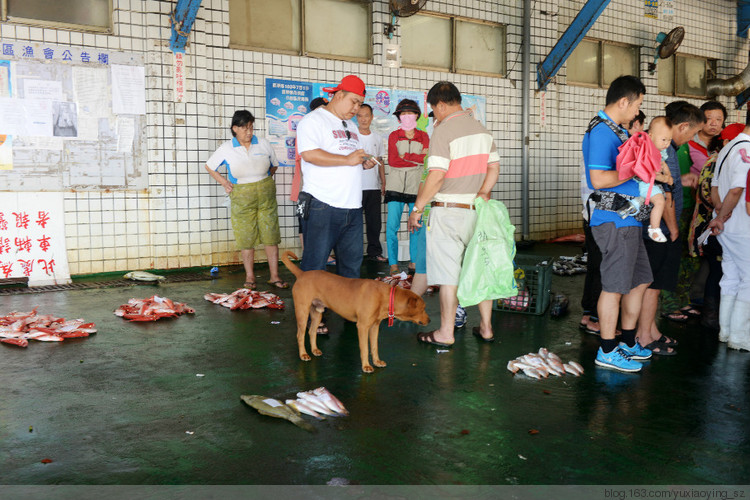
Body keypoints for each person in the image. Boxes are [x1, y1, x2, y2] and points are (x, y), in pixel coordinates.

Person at [408, 81, 500, 347]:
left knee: (449, 276)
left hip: (448, 212)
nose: (434, 115)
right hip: (476, 212)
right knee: (480, 270)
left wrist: (418, 208)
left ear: (440, 104)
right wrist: (483, 192)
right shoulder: (483, 131)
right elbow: (494, 168)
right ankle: (486, 328)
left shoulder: (443, 131)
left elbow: (436, 176)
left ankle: (445, 333)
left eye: (433, 110)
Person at [582, 75, 653, 372]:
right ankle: (607, 350)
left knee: (640, 279)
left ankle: (625, 341)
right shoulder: (601, 132)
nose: (637, 111)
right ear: (624, 101)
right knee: (613, 287)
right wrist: (636, 168)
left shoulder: (617, 131)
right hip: (614, 220)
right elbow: (598, 181)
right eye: (637, 104)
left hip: (630, 219)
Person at [636, 102, 704, 354]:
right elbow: (665, 196)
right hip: (661, 230)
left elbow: (671, 185)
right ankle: (644, 336)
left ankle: (650, 330)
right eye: (691, 133)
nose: (690, 139)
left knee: (654, 284)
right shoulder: (666, 150)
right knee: (652, 286)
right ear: (683, 126)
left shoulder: (666, 149)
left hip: (658, 229)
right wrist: (674, 229)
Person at [295, 75, 376, 279]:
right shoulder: (313, 120)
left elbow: (352, 158)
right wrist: (348, 160)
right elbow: (309, 154)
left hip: (353, 207)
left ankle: (345, 311)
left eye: (360, 103)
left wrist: (363, 162)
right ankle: (309, 311)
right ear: (339, 95)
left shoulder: (351, 126)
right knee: (314, 268)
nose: (357, 108)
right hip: (323, 205)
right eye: (354, 101)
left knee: (351, 269)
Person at [204, 110, 287, 290]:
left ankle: (274, 276)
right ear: (235, 129)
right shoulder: (227, 148)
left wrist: (262, 181)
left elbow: (274, 166)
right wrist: (225, 182)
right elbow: (210, 166)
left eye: (251, 127)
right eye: (244, 128)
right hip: (241, 196)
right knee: (245, 237)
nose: (249, 132)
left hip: (266, 196)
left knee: (270, 235)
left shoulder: (263, 143)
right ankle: (250, 277)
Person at [687, 124, 745, 330]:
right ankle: (730, 331)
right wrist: (723, 213)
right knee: (733, 276)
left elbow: (715, 189)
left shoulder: (723, 155)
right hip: (725, 225)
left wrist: (721, 211)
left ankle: (722, 325)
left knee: (724, 273)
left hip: (719, 223)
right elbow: (728, 191)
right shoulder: (737, 153)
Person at [708, 122, 750, 351]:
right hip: (742, 226)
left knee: (731, 277)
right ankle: (740, 337)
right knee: (749, 280)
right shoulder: (747, 149)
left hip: (726, 226)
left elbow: (715, 187)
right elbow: (737, 189)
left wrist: (719, 214)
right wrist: (722, 217)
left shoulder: (727, 147)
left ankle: (726, 331)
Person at [386, 99, 430, 275]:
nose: (406, 116)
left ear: (417, 116)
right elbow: (393, 161)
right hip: (395, 186)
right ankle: (393, 264)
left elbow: (425, 161)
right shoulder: (393, 136)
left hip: (416, 187)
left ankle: (413, 263)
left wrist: (407, 156)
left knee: (416, 227)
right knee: (392, 227)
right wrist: (415, 160)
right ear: (399, 117)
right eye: (403, 114)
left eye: (410, 113)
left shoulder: (424, 136)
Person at [616, 116, 674, 243]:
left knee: (651, 199)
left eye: (669, 140)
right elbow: (651, 173)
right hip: (643, 182)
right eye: (664, 139)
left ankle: (632, 205)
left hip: (645, 183)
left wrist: (669, 175)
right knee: (659, 201)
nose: (667, 144)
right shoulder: (647, 151)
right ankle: (654, 229)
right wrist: (665, 178)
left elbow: (664, 164)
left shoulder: (658, 150)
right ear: (651, 135)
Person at [291, 97, 329, 254]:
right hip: (304, 184)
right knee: (304, 218)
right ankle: (308, 254)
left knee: (319, 220)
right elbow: (304, 158)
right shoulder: (307, 127)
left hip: (319, 185)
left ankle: (321, 254)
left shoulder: (326, 129)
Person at [356, 103, 387, 262]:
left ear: (372, 117)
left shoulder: (377, 137)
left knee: (374, 222)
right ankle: (354, 254)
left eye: (366, 115)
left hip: (373, 187)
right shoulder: (353, 136)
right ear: (356, 117)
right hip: (355, 187)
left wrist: (383, 182)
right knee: (354, 223)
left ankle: (374, 252)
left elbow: (380, 161)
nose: (363, 119)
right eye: (360, 116)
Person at [688, 101, 727, 176]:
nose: (714, 123)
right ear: (700, 120)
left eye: (718, 119)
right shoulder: (688, 142)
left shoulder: (726, 143)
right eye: (709, 118)